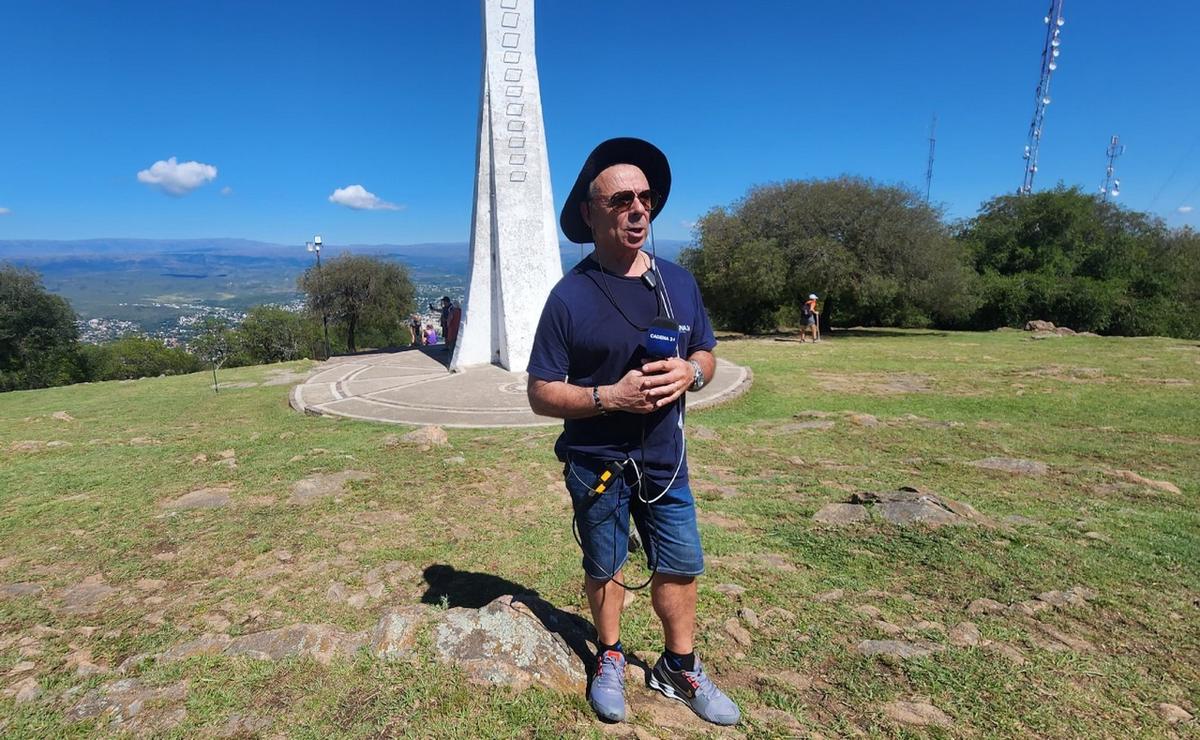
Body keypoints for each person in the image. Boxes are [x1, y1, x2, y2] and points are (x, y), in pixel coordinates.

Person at [527, 138, 739, 726]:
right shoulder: (569, 296)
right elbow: (541, 392)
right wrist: (606, 397)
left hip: (666, 459)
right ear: (591, 212)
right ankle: (611, 656)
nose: (638, 209)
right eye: (621, 200)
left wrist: (693, 371)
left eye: (646, 198)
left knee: (680, 562)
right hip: (595, 462)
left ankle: (679, 666)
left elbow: (707, 351)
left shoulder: (678, 283)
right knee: (607, 564)